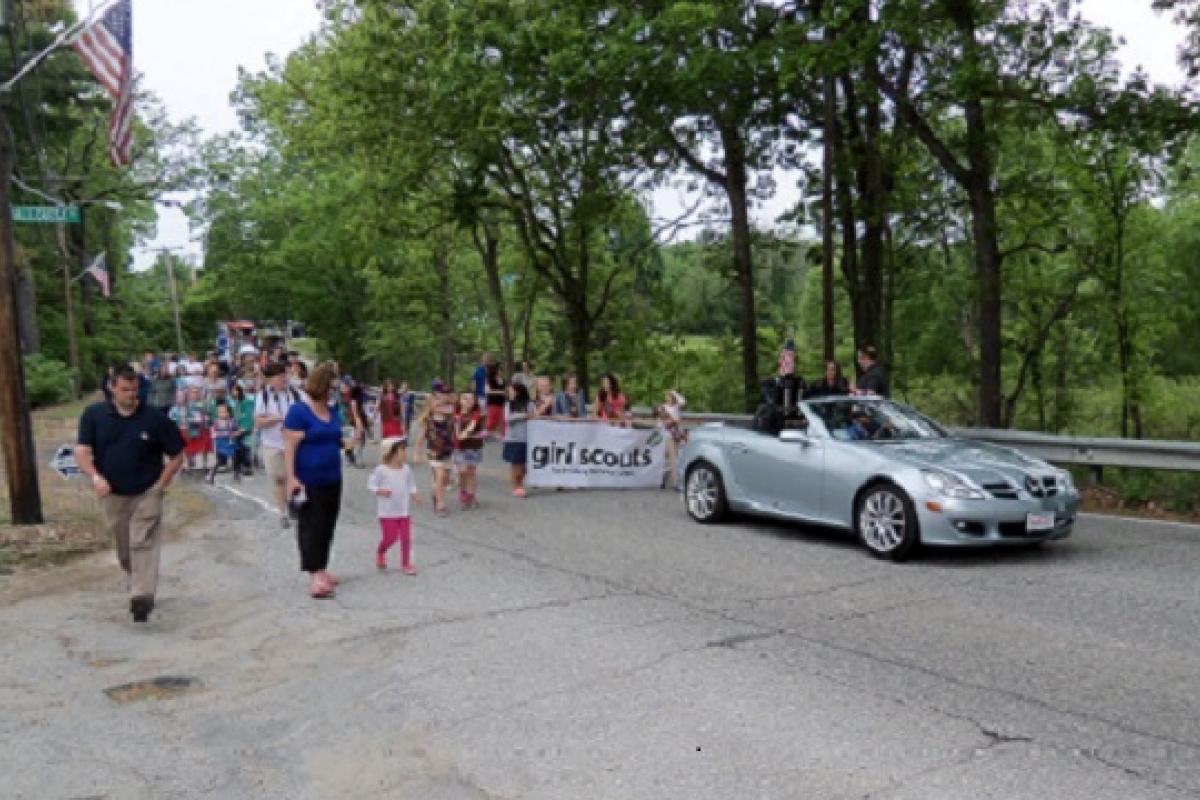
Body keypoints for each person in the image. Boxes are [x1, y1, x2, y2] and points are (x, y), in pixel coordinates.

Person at [75, 366, 185, 623]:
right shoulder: (94, 415)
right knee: (125, 548)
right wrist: (95, 476)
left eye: (134, 389)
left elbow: (177, 454)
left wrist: (161, 485)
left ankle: (142, 596)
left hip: (147, 490)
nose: (131, 395)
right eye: (125, 390)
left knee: (142, 541)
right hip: (113, 493)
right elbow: (81, 451)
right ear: (112, 388)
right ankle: (135, 580)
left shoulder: (154, 417)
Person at [283, 362, 345, 599]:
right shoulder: (299, 411)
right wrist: (292, 478)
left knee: (328, 524)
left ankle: (322, 566)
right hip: (309, 478)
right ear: (323, 383)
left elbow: (335, 437)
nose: (336, 387)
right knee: (312, 525)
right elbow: (289, 445)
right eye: (333, 382)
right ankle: (314, 573)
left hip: (332, 476)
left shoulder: (332, 410)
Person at [256, 363, 303, 529]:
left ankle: (294, 504)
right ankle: (282, 513)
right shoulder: (263, 396)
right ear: (270, 380)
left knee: (296, 476)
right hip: (272, 443)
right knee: (279, 478)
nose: (283, 379)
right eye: (278, 376)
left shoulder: (297, 394)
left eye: (283, 375)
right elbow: (258, 422)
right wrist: (273, 420)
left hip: (294, 442)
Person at [368, 436, 421, 574]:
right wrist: (379, 491)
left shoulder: (406, 469)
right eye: (401, 450)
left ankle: (406, 564)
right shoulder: (381, 470)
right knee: (390, 538)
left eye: (405, 450)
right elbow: (371, 484)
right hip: (387, 512)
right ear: (391, 452)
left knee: (405, 538)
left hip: (403, 510)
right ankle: (381, 552)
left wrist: (414, 494)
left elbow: (411, 483)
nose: (405, 453)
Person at [418, 382, 456, 516]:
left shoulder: (450, 418)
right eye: (437, 402)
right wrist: (417, 453)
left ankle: (435, 493)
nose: (441, 405)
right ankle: (440, 505)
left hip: (447, 451)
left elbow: (453, 403)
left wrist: (446, 399)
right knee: (440, 476)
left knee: (445, 478)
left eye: (443, 402)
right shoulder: (428, 421)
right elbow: (420, 439)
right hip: (434, 452)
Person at [454, 392, 485, 509]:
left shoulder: (476, 414)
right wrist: (459, 436)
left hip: (474, 447)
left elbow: (472, 426)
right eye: (465, 398)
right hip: (459, 447)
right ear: (460, 400)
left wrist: (464, 434)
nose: (468, 401)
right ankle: (463, 491)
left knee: (471, 471)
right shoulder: (455, 414)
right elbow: (455, 429)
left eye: (471, 399)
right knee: (462, 471)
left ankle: (471, 495)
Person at [503, 382, 534, 497]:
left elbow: (533, 415)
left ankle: (520, 484)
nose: (509, 393)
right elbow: (507, 419)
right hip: (513, 439)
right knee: (516, 464)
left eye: (511, 390)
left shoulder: (529, 404)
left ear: (518, 391)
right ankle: (516, 486)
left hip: (527, 438)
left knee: (524, 466)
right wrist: (523, 416)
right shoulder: (509, 405)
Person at [657, 390, 688, 490]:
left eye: (671, 396)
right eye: (668, 396)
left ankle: (671, 482)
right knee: (669, 459)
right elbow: (659, 423)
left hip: (675, 436)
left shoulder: (676, 407)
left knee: (674, 459)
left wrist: (675, 393)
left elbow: (683, 401)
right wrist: (664, 424)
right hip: (666, 435)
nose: (669, 398)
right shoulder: (663, 408)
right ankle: (668, 481)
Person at [207, 403, 241, 484]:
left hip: (231, 444)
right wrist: (217, 435)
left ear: (228, 413)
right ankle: (211, 475)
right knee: (220, 462)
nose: (221, 414)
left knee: (235, 458)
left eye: (223, 412)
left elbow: (238, 430)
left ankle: (236, 474)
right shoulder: (216, 422)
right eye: (219, 412)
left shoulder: (232, 421)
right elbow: (213, 434)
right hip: (221, 445)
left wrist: (235, 433)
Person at [229, 383, 256, 476]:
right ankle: (238, 467)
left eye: (235, 390)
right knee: (237, 448)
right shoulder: (237, 403)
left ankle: (247, 467)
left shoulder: (245, 402)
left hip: (244, 429)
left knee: (245, 448)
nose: (233, 392)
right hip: (238, 428)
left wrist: (241, 430)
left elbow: (248, 417)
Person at [484, 362, 507, 438]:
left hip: (502, 402)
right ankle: (487, 433)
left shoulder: (503, 380)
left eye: (502, 370)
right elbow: (487, 391)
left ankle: (503, 434)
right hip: (493, 402)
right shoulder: (489, 379)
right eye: (500, 369)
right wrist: (500, 392)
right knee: (492, 419)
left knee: (502, 418)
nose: (501, 371)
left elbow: (505, 390)